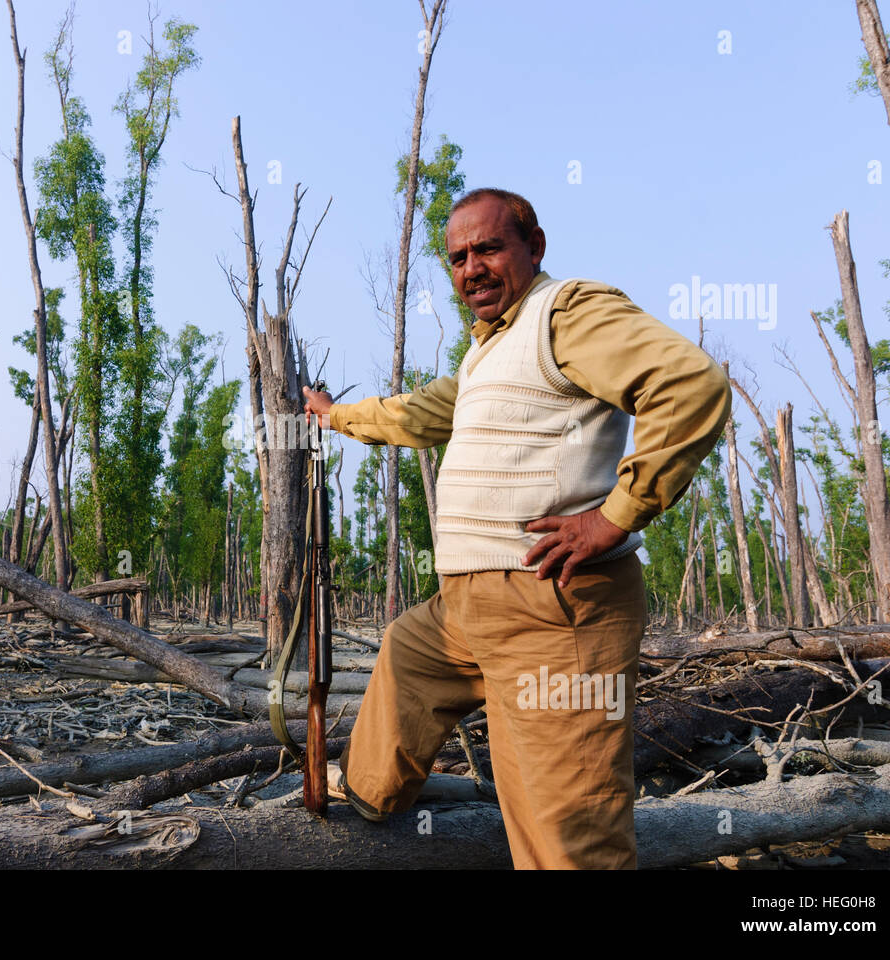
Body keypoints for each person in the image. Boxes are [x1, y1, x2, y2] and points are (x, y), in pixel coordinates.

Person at [301, 187, 731, 869]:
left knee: (566, 835)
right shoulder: (486, 356)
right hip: (464, 614)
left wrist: (614, 518)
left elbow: (691, 382)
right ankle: (370, 803)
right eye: (458, 257)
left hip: (555, 611)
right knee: (406, 655)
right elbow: (417, 414)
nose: (471, 267)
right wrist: (336, 415)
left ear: (534, 247)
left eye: (489, 248)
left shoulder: (564, 314)